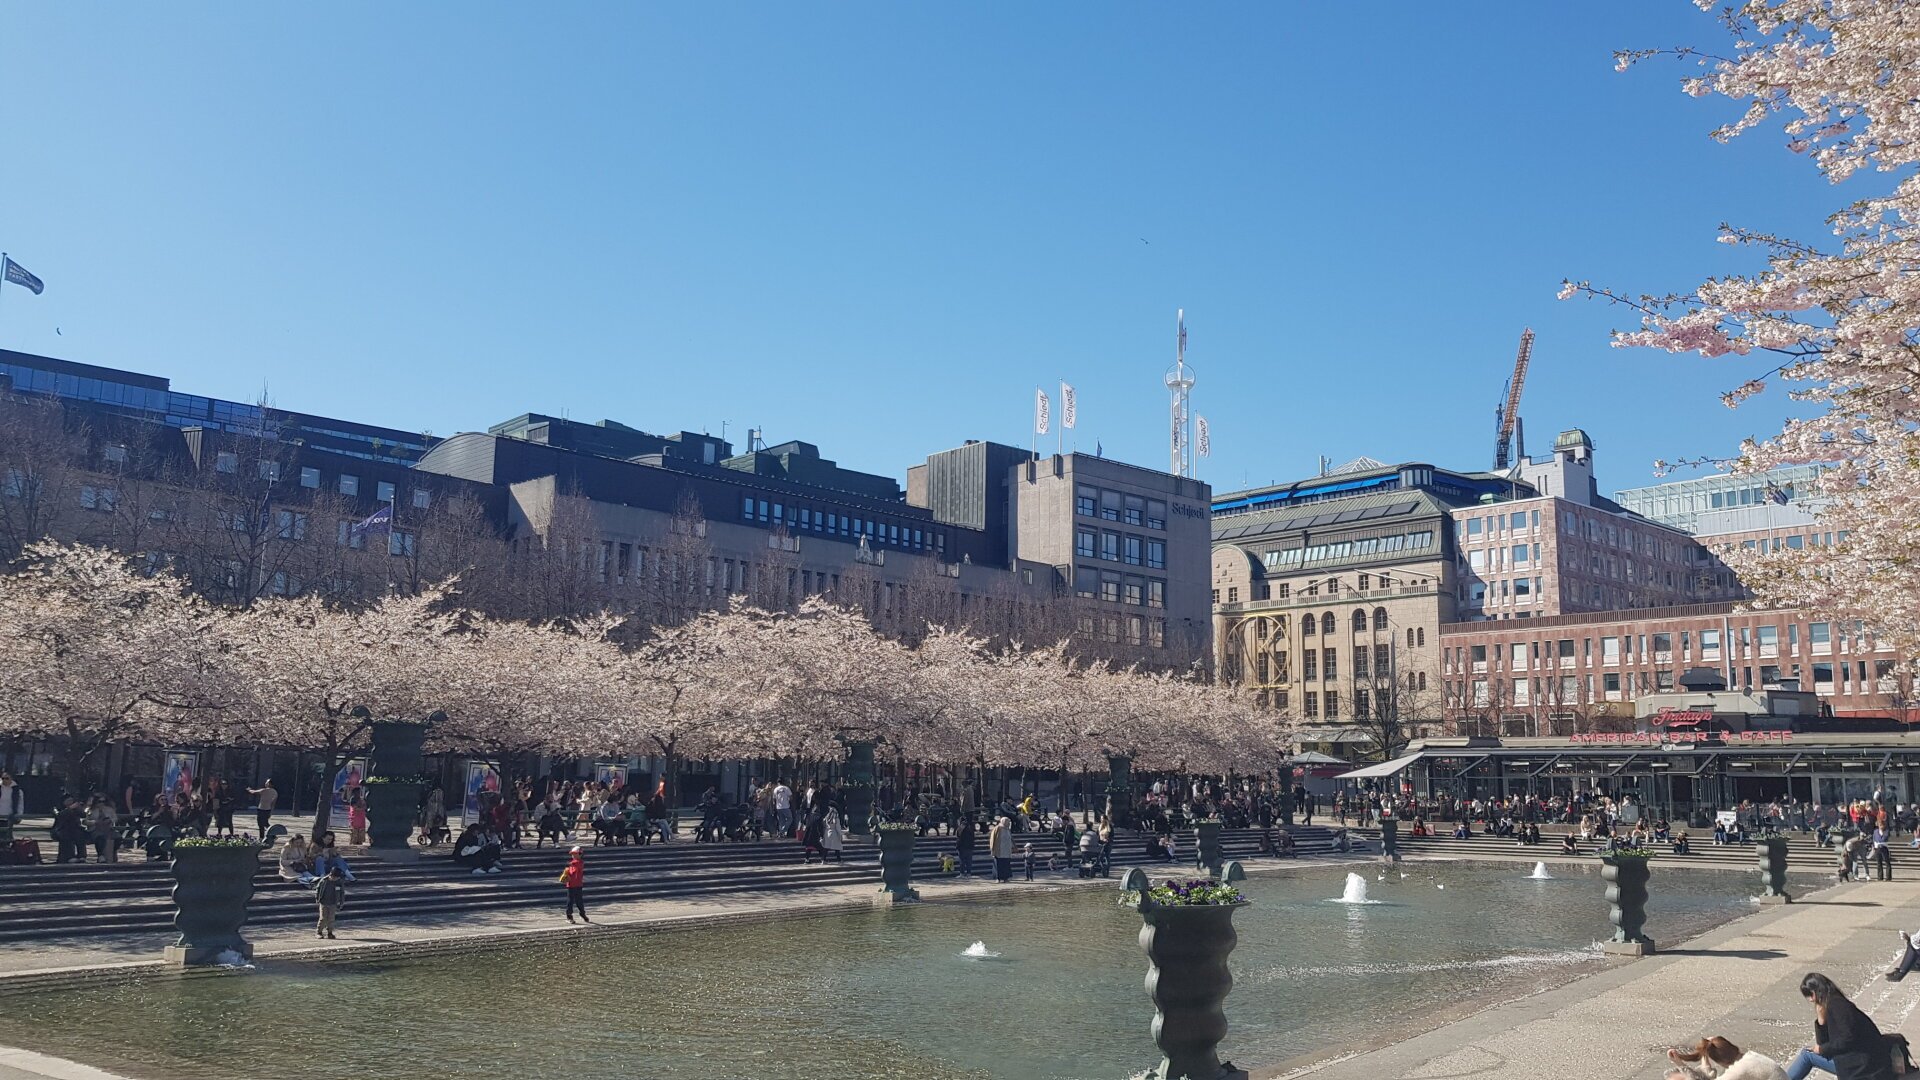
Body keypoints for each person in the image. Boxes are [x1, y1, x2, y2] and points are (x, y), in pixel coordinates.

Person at [1785, 972, 1894, 1080]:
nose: (1811, 1000)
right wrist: (1821, 1021)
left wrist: (1822, 1049)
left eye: (1809, 995)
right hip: (1860, 1061)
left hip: (1865, 1067)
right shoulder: (1835, 1003)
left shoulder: (1838, 1006)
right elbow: (1824, 1043)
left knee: (1807, 1056)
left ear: (1815, 992)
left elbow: (1848, 1038)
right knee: (1809, 1053)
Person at [1663, 1036, 1787, 1080]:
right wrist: (1705, 1055)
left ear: (1723, 1062)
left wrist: (1679, 1063)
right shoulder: (1749, 1057)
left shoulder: (1739, 1070)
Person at [314, 865, 346, 940]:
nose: (336, 879)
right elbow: (318, 890)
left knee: (331, 919)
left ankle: (330, 932)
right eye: (335, 877)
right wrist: (317, 898)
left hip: (333, 903)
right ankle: (319, 932)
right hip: (324, 902)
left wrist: (341, 902)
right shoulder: (324, 881)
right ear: (331, 875)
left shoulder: (339, 882)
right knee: (323, 918)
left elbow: (342, 893)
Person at [85, 793, 117, 863]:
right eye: (100, 802)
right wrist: (95, 822)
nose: (102, 803)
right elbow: (85, 821)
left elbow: (114, 818)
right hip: (94, 830)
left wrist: (110, 820)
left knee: (117, 838)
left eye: (103, 801)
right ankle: (101, 855)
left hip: (108, 829)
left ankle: (111, 854)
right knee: (100, 837)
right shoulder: (89, 810)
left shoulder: (109, 809)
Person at [561, 845, 588, 924]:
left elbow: (574, 868)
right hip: (573, 885)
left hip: (576, 885)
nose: (573, 855)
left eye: (575, 854)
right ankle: (572, 915)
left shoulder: (577, 863)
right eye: (573, 854)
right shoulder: (573, 864)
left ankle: (580, 914)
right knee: (573, 901)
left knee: (576, 901)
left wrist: (567, 870)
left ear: (580, 854)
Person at [989, 815, 1013, 883]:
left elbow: (1010, 838)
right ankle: (998, 878)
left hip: (1006, 850)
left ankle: (1006, 878)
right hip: (999, 850)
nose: (1008, 823)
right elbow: (993, 839)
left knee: (1006, 864)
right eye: (1007, 822)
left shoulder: (1007, 829)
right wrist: (992, 849)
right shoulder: (997, 828)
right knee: (998, 865)